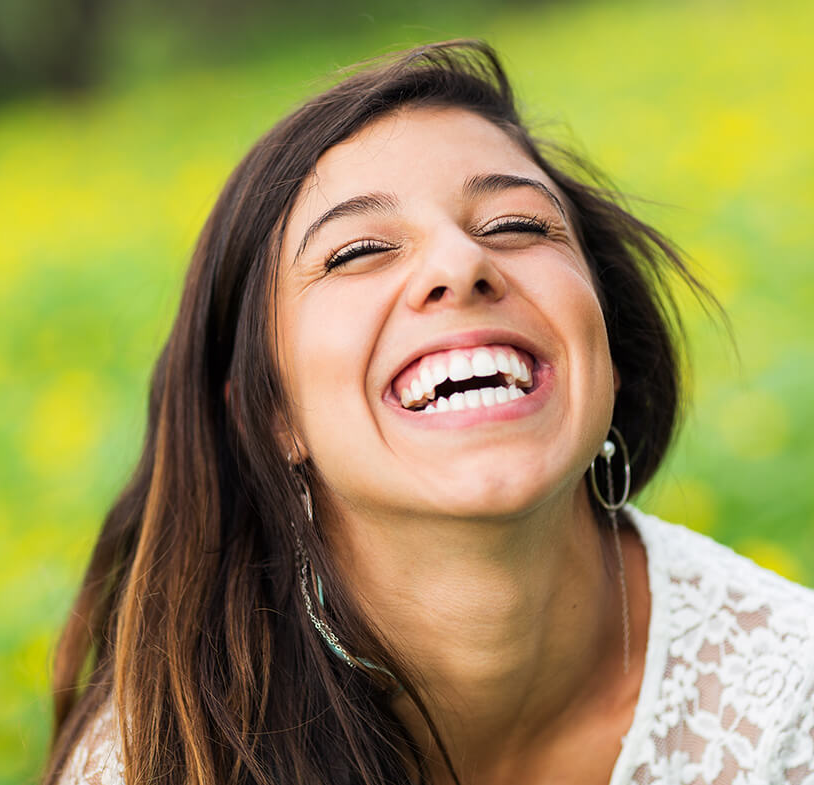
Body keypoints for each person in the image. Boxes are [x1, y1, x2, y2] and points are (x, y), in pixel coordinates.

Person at [43, 41, 814, 785]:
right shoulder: (158, 759)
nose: (460, 263)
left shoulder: (792, 699)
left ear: (606, 341)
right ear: (272, 416)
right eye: (357, 251)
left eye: (515, 226)